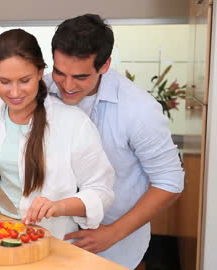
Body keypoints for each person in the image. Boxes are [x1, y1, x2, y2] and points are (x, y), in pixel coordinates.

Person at [40, 14, 184, 269]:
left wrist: (112, 233)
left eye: (81, 77)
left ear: (105, 65)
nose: (67, 85)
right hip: (47, 237)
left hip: (111, 244)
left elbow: (170, 182)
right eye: (60, 72)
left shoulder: (139, 110)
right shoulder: (43, 89)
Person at [0, 28, 115, 240]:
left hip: (51, 239)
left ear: (40, 71)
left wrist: (58, 206)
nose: (14, 93)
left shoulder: (73, 123)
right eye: (4, 82)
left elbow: (101, 191)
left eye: (25, 80)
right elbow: (0, 165)